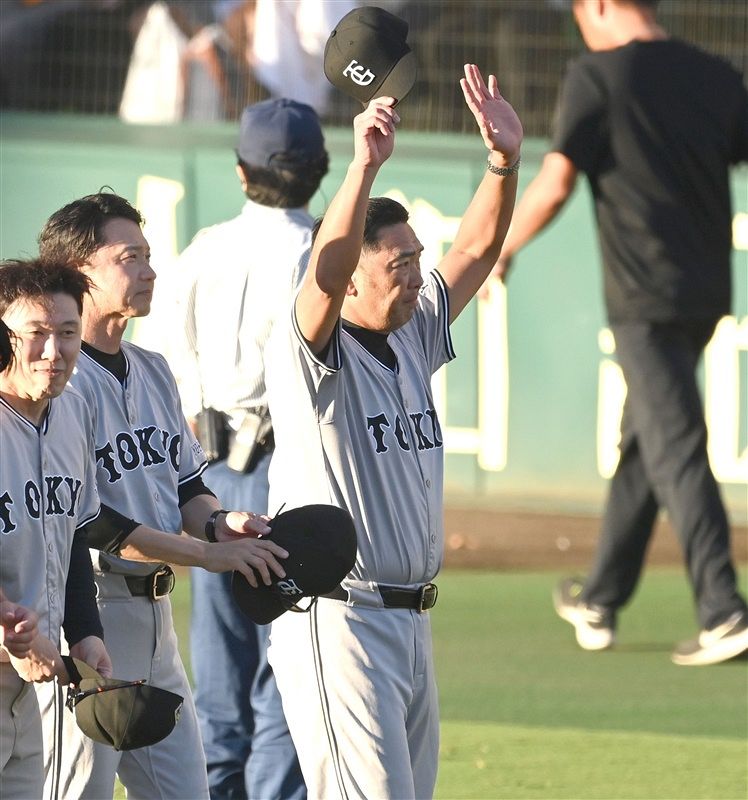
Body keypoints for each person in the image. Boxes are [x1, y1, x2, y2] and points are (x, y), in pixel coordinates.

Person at [263, 64, 522, 799]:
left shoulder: (409, 335)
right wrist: (364, 168)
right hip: (340, 618)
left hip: (410, 624)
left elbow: (473, 250)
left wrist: (503, 164)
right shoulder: (314, 349)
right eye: (400, 263)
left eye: (416, 260)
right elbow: (325, 270)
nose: (417, 275)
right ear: (352, 278)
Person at [487, 0, 748, 666]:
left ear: (599, 5)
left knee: (677, 442)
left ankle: (722, 610)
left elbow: (554, 181)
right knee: (648, 438)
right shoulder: (716, 74)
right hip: (705, 293)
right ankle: (599, 598)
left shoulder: (598, 76)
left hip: (643, 296)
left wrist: (499, 250)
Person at [35, 192, 289, 800]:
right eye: (130, 257)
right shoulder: (60, 388)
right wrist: (205, 556)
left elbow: (185, 488)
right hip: (88, 621)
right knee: (77, 793)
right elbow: (90, 523)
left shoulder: (152, 368)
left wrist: (223, 524)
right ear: (79, 274)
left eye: (149, 256)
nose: (149, 270)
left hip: (156, 624)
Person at [171, 97, 328, 800]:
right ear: (320, 170)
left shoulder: (205, 247)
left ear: (241, 171)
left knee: (221, 665)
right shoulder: (324, 249)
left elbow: (171, 359)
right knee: (288, 661)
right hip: (291, 470)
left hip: (208, 481)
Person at [0, 259, 111, 799]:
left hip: (28, 688)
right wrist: (17, 641)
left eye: (67, 333)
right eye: (35, 335)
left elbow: (71, 543)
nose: (54, 351)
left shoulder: (74, 413)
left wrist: (87, 634)